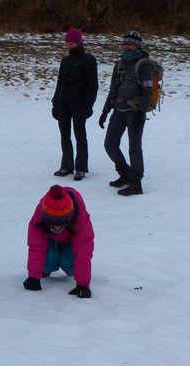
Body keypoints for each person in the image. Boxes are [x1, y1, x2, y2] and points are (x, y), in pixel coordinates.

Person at [98, 31, 154, 196]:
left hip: (135, 112)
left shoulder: (144, 65)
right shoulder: (120, 64)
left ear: (137, 45)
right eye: (123, 43)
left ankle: (136, 183)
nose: (125, 46)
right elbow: (113, 90)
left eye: (129, 43)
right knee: (110, 144)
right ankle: (124, 174)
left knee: (134, 147)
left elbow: (148, 90)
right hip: (118, 110)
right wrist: (105, 111)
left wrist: (141, 111)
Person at [23, 185, 95, 298]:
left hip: (69, 243)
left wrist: (83, 284)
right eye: (52, 225)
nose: (56, 229)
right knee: (47, 262)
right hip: (50, 242)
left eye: (60, 225)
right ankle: (48, 266)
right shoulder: (39, 218)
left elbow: (83, 253)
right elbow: (36, 247)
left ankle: (65, 261)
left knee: (69, 263)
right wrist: (33, 276)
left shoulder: (80, 219)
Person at [52, 28, 98, 180]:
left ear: (78, 43)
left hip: (79, 103)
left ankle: (81, 168)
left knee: (80, 135)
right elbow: (60, 83)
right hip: (63, 102)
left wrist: (89, 105)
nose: (69, 45)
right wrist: (55, 102)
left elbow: (93, 85)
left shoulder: (88, 59)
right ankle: (66, 166)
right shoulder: (65, 60)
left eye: (71, 42)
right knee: (64, 134)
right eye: (67, 42)